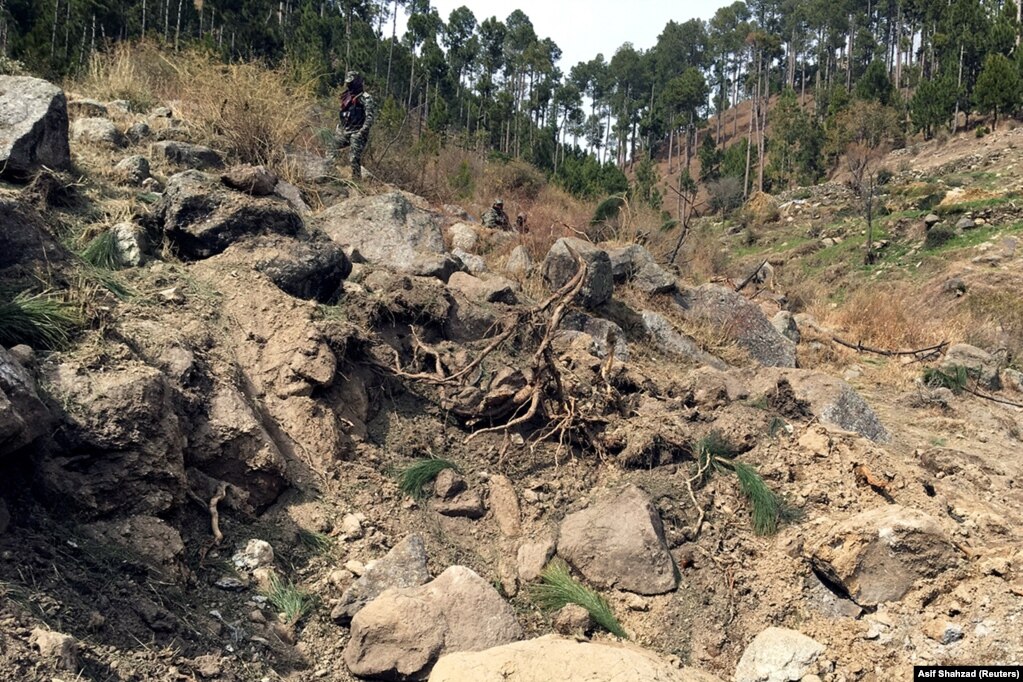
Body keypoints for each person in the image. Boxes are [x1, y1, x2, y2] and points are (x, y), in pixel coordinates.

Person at [330, 71, 375, 180]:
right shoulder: (346, 97)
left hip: (358, 133)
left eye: (351, 83)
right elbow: (342, 116)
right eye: (348, 84)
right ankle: (330, 174)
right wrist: (339, 130)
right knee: (331, 147)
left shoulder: (366, 98)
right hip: (345, 131)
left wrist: (361, 132)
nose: (349, 86)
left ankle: (356, 181)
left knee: (354, 158)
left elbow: (370, 118)